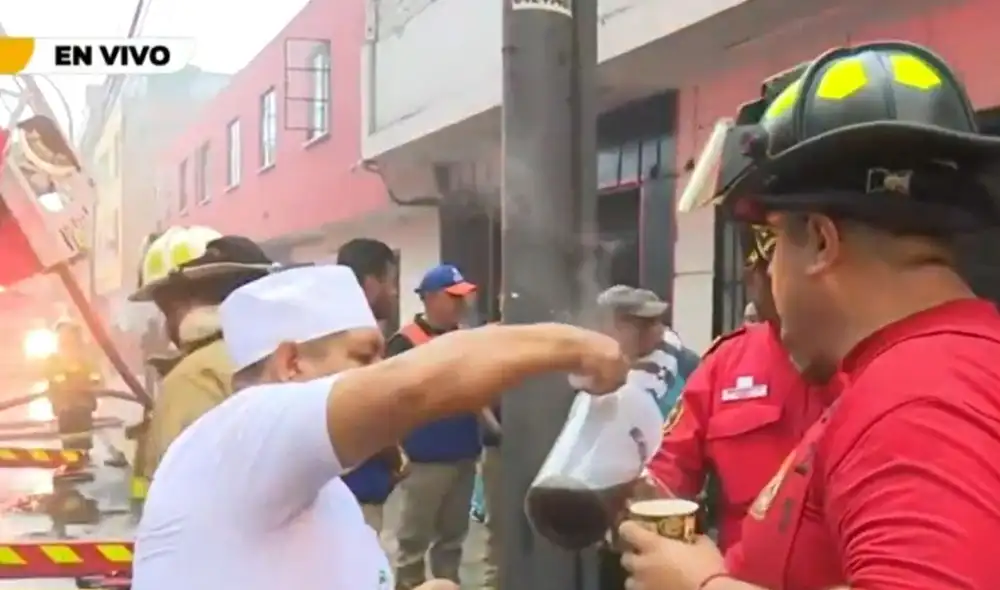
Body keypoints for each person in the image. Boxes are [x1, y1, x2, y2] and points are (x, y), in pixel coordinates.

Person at [620, 41, 1000, 590]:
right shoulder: (934, 367)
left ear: (820, 242)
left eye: (773, 242)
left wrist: (703, 586)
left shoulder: (921, 400)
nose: (769, 273)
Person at [132, 264, 628, 590]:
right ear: (291, 364)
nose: (377, 371)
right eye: (364, 356)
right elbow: (420, 385)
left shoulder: (321, 489)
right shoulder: (241, 432)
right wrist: (578, 347)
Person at [128, 227, 275, 481]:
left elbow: (184, 494)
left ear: (176, 304)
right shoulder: (285, 353)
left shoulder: (194, 378)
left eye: (164, 310)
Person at [391, 264, 481, 589]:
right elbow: (392, 401)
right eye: (452, 297)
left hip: (464, 453)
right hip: (424, 458)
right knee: (413, 542)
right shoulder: (405, 342)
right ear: (430, 299)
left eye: (463, 297)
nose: (460, 304)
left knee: (452, 539)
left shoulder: (466, 337)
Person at [336, 238, 406, 534]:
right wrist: (396, 456)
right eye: (391, 282)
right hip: (354, 497)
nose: (394, 292)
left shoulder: (329, 333)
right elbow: (367, 407)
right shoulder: (355, 340)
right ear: (370, 284)